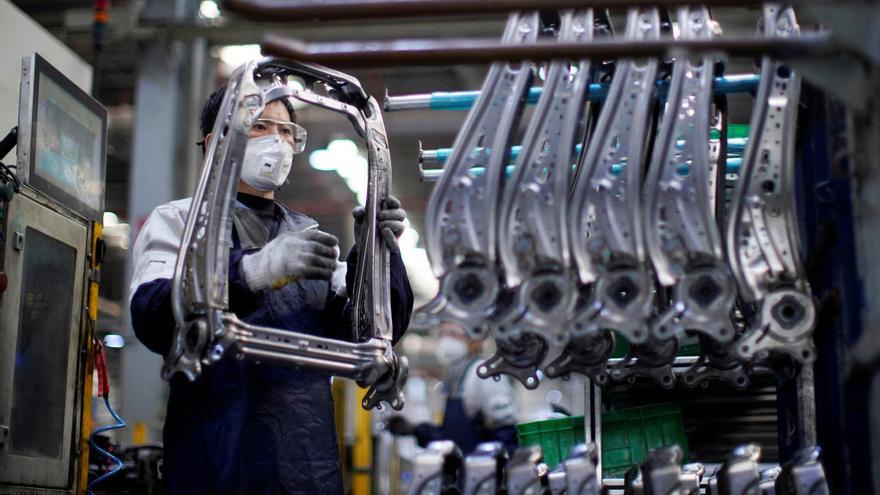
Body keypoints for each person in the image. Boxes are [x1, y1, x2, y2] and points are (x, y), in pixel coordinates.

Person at [128, 83, 414, 494]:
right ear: (216, 142)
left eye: (286, 132)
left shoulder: (307, 236)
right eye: (261, 126)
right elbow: (152, 315)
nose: (278, 142)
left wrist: (376, 254)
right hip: (213, 465)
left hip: (305, 469)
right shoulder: (179, 223)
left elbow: (365, 332)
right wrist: (252, 271)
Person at [386, 325, 519, 455]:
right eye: (443, 334)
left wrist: (493, 468)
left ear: (476, 340)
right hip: (461, 472)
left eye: (453, 334)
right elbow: (451, 438)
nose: (446, 340)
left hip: (480, 472)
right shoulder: (455, 376)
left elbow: (506, 433)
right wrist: (415, 430)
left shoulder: (483, 373)